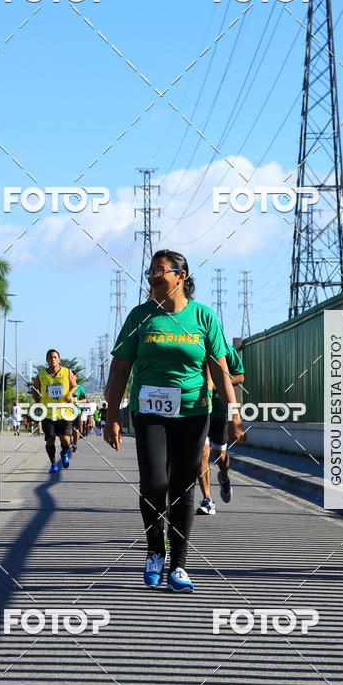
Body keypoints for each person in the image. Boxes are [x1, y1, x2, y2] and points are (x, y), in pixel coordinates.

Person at [105, 249, 246, 593]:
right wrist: (111, 416)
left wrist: (233, 414)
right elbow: (120, 368)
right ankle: (155, 550)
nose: (152, 277)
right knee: (154, 484)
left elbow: (220, 370)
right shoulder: (140, 316)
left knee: (184, 488)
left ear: (180, 276)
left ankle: (179, 565)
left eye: (160, 271)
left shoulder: (203, 317)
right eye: (150, 271)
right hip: (149, 412)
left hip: (194, 413)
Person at [196, 344, 245, 515]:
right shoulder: (192, 345)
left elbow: (240, 377)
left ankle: (224, 477)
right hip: (198, 410)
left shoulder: (225, 349)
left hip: (219, 411)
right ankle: (207, 499)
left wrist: (219, 381)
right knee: (203, 452)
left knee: (220, 456)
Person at [32, 349, 77, 473]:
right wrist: (38, 402)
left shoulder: (67, 372)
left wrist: (69, 393)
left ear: (59, 359)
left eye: (55, 357)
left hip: (64, 413)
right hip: (48, 413)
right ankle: (53, 464)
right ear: (47, 360)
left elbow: (74, 385)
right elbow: (34, 388)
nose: (52, 359)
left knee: (66, 441)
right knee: (50, 440)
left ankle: (64, 453)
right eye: (50, 357)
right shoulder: (41, 374)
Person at [72, 382, 86, 452]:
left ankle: (75, 445)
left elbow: (84, 400)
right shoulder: (65, 386)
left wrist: (78, 401)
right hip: (65, 412)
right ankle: (67, 444)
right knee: (67, 431)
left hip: (77, 412)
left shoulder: (80, 388)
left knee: (76, 430)